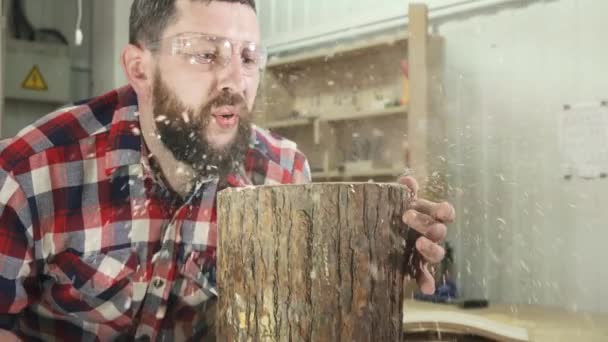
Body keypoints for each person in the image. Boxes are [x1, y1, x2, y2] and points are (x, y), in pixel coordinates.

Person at [0, 0, 455, 340]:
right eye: (205, 55)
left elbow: (297, 313)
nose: (235, 83)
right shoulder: (30, 174)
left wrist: (372, 256)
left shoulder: (282, 174)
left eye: (249, 58)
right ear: (140, 68)